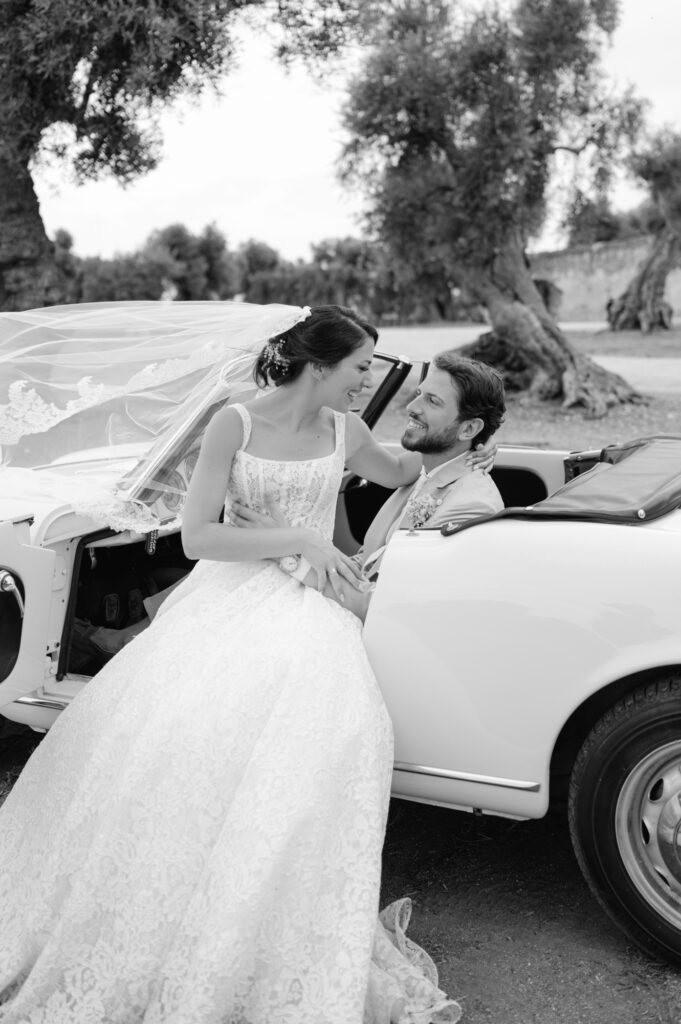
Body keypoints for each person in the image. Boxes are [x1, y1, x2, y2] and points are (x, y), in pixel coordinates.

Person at [0, 305, 461, 1024]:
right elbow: (195, 537)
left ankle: (264, 908)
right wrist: (300, 542)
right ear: (318, 367)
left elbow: (401, 466)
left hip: (309, 602)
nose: (367, 382)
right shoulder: (234, 423)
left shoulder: (347, 429)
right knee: (183, 735)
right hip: (232, 592)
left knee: (336, 727)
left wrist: (463, 446)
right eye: (360, 368)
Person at [232, 352, 505, 619]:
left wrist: (284, 551)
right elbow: (364, 565)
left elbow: (390, 606)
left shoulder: (471, 504)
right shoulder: (425, 475)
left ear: (468, 429)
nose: (411, 407)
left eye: (432, 401)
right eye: (418, 394)